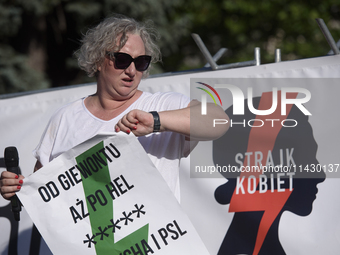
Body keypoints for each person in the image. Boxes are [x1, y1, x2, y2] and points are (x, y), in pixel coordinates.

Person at [0, 14, 229, 202]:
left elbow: (219, 121)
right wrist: (18, 188)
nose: (131, 70)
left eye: (140, 62)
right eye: (122, 59)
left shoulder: (159, 105)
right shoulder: (65, 117)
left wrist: (156, 122)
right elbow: (44, 193)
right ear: (99, 60)